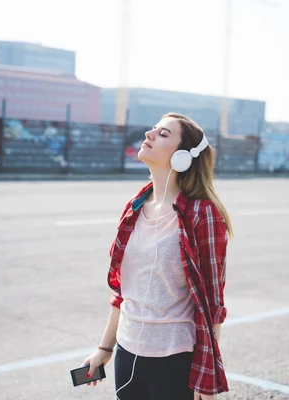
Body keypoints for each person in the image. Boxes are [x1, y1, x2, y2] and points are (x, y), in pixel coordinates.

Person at [81, 113, 233, 399]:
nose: (150, 135)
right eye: (153, 129)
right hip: (128, 352)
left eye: (163, 134)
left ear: (183, 157)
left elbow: (213, 301)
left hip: (175, 358)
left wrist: (206, 377)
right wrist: (104, 349)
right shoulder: (135, 206)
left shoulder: (203, 213)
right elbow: (123, 290)